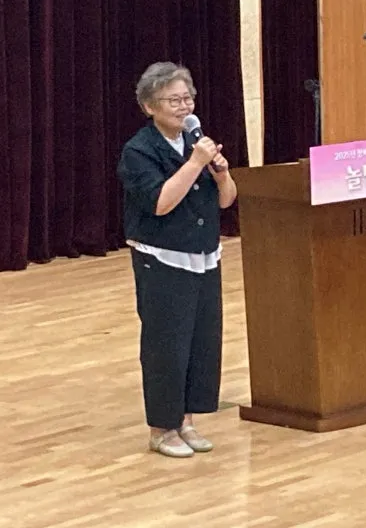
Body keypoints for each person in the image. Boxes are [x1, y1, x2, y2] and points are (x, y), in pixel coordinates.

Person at [117, 62, 237, 458]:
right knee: (166, 346)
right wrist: (196, 163)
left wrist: (221, 174)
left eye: (188, 98)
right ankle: (161, 428)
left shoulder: (195, 143)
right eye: (174, 100)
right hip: (162, 259)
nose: (184, 107)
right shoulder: (138, 151)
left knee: (201, 342)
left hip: (204, 255)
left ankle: (186, 420)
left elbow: (227, 201)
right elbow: (161, 203)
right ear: (150, 106)